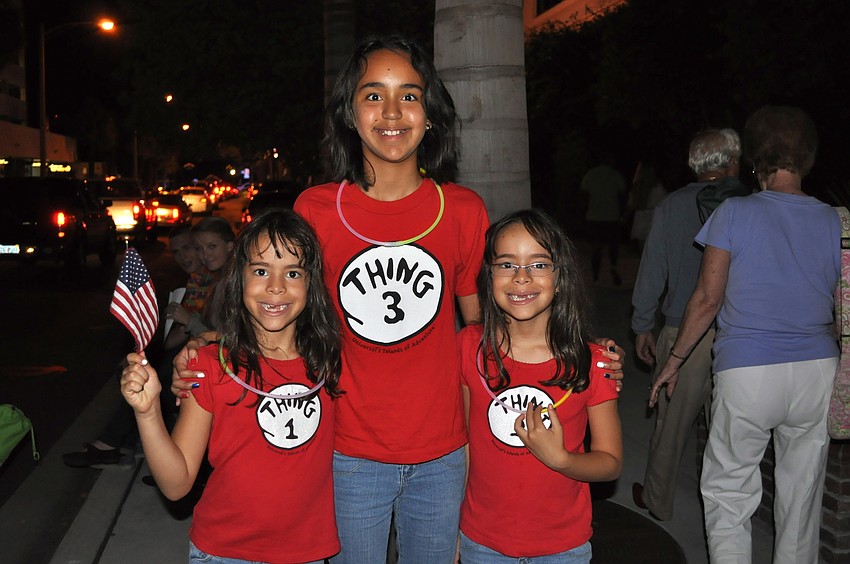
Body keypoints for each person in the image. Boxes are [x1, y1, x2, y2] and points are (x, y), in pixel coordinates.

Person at [173, 34, 624, 562]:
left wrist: (584, 352)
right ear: (348, 112)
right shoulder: (315, 209)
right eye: (372, 95)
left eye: (409, 95)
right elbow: (280, 308)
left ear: (430, 115)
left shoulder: (461, 210)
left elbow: (493, 335)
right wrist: (212, 350)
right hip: (346, 450)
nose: (392, 112)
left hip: (445, 454)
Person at [650, 106, 840, 564]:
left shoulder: (735, 212)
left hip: (750, 370)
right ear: (807, 158)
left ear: (758, 159)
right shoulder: (837, 219)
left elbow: (706, 300)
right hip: (817, 370)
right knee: (802, 495)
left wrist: (673, 362)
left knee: (729, 490)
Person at [121, 209, 343, 563]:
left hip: (308, 552)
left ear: (311, 284)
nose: (275, 286)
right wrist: (147, 412)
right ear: (239, 279)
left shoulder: (332, 363)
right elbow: (177, 485)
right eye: (260, 270)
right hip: (224, 552)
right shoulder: (211, 365)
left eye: (293, 272)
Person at [458, 209, 622, 563]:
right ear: (488, 277)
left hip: (563, 547)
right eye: (506, 264)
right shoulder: (468, 347)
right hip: (482, 542)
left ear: (561, 278)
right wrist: (453, 526)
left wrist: (561, 459)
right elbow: (464, 445)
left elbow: (610, 462)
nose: (521, 278)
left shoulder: (594, 361)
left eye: (539, 264)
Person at [630, 129, 744, 521]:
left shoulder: (672, 205)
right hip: (739, 332)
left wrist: (643, 324)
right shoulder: (749, 205)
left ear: (694, 164)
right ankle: (725, 507)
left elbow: (652, 271)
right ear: (731, 162)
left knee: (670, 424)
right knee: (728, 428)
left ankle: (657, 499)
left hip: (683, 331)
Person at [62, 224, 212, 468]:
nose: (184, 256)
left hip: (208, 354)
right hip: (194, 347)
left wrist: (154, 355)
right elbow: (178, 331)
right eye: (176, 252)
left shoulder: (215, 279)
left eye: (190, 248)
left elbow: (195, 328)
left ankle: (114, 445)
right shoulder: (196, 279)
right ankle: (126, 445)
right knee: (135, 372)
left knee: (150, 377)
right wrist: (148, 353)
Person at [580, 159, 626, 286]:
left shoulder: (591, 174)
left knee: (596, 247)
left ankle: (596, 277)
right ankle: (613, 266)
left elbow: (584, 194)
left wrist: (584, 212)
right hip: (612, 216)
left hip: (595, 216)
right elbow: (622, 196)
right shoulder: (615, 175)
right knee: (613, 246)